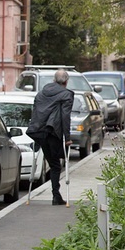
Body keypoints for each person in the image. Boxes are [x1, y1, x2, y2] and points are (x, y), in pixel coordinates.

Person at [26, 69, 74, 205]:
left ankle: (56, 195)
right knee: (55, 165)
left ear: (54, 80)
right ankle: (56, 196)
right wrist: (67, 137)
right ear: (66, 81)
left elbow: (35, 112)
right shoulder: (66, 94)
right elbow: (65, 117)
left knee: (53, 163)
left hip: (38, 132)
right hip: (52, 132)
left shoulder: (41, 93)